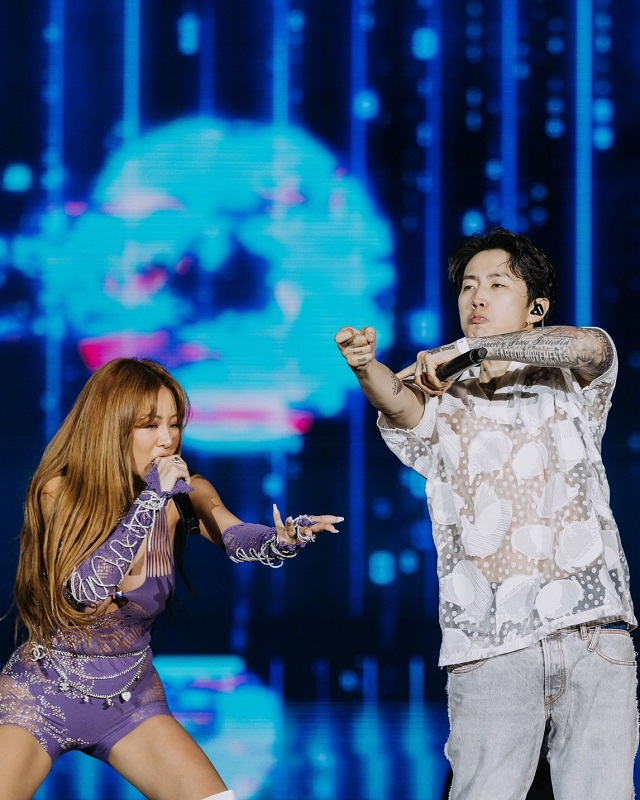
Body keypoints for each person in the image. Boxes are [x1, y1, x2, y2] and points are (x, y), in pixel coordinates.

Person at [335, 227, 637, 800]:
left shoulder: (571, 376)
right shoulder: (442, 388)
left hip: (593, 632)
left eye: (497, 285)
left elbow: (589, 348)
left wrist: (477, 351)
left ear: (536, 308)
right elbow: (398, 404)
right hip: (491, 643)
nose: (477, 297)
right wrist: (364, 366)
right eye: (468, 286)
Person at [0, 357, 343, 800]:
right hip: (43, 694)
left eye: (174, 424)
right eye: (150, 425)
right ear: (112, 427)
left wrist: (282, 540)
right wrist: (150, 500)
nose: (167, 439)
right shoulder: (59, 490)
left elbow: (236, 536)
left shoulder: (186, 493)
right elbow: (86, 591)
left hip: (130, 698)